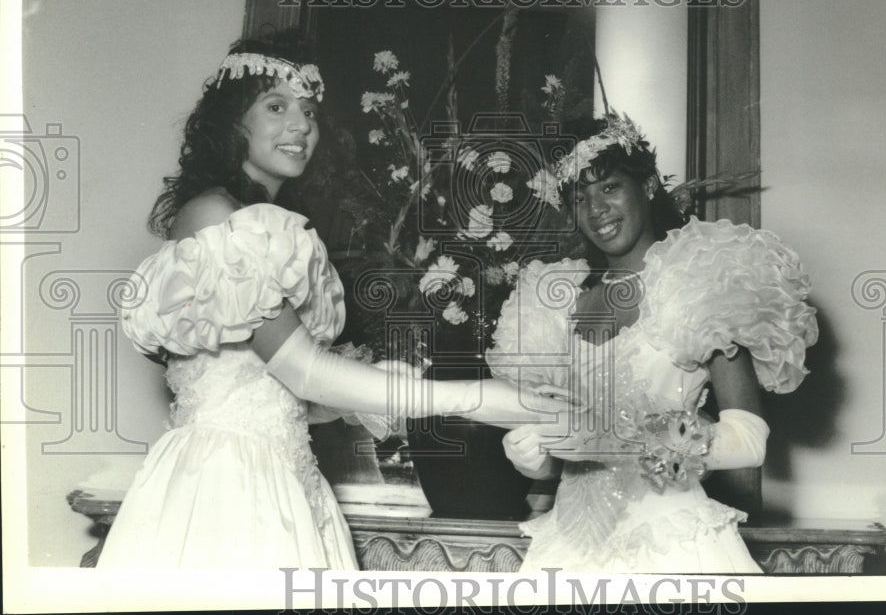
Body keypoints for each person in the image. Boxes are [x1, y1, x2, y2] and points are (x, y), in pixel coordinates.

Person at [97, 36, 564, 569]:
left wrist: (371, 391)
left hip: (282, 471)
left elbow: (286, 396)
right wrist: (478, 397)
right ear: (232, 123)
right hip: (226, 478)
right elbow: (302, 372)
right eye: (276, 107)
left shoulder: (273, 227)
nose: (300, 126)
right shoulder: (217, 217)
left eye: (310, 111)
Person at [487, 113, 818, 573]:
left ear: (646, 187)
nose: (595, 209)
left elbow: (748, 440)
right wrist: (534, 459)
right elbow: (561, 460)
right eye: (579, 198)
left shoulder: (701, 283)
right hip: (568, 545)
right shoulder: (555, 303)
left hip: (672, 545)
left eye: (609, 187)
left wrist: (624, 443)